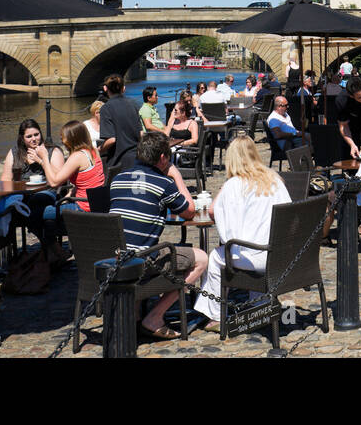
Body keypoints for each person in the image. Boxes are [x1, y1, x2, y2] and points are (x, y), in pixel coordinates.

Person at [109, 133, 208, 340]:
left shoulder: (117, 179)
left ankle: (135, 317)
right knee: (201, 259)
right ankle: (155, 316)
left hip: (114, 259)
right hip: (141, 263)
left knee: (137, 241)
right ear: (163, 158)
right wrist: (176, 175)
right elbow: (189, 211)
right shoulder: (162, 183)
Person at [194, 136, 291, 328]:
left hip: (254, 258)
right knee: (248, 243)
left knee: (215, 258)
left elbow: (216, 215)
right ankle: (259, 304)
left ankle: (215, 315)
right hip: (280, 256)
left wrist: (222, 189)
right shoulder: (275, 179)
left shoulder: (234, 185)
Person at [0, 118, 67, 239]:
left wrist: (41, 160)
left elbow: (59, 178)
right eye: (29, 136)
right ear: (22, 138)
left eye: (36, 134)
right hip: (23, 194)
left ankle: (50, 249)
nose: (34, 139)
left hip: (49, 193)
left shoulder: (52, 150)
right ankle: (50, 249)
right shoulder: (15, 152)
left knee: (35, 202)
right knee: (5, 206)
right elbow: (5, 179)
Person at [37, 120, 105, 212]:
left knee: (43, 210)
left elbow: (54, 183)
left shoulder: (77, 156)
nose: (61, 140)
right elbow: (86, 183)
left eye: (63, 137)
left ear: (72, 138)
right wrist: (66, 198)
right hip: (97, 204)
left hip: (83, 208)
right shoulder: (93, 150)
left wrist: (44, 157)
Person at [99, 74, 144, 179]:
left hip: (118, 161)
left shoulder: (106, 108)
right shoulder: (134, 105)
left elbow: (111, 139)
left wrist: (98, 149)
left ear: (105, 88)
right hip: (136, 158)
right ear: (123, 88)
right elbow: (141, 133)